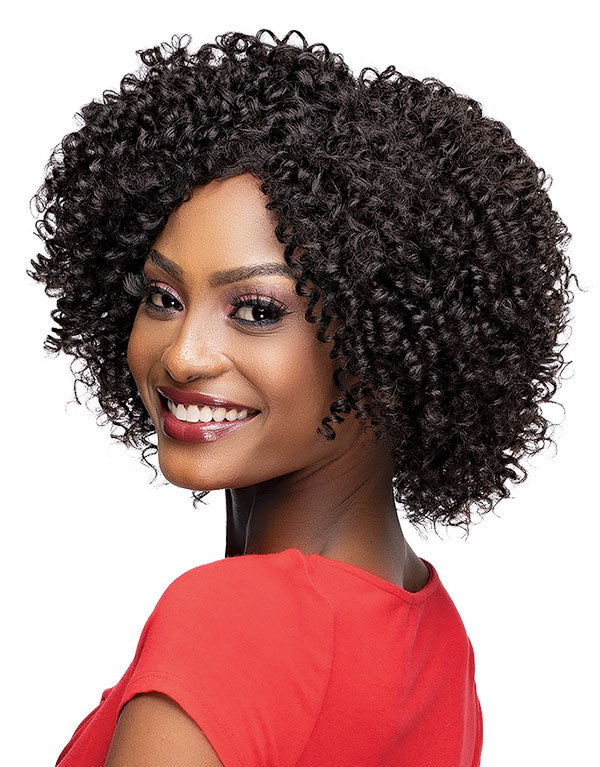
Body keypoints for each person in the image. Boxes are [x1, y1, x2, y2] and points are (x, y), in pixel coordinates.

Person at [27, 28, 578, 767]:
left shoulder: (231, 623)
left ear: (388, 339)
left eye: (256, 311)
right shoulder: (439, 639)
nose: (183, 355)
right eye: (161, 296)